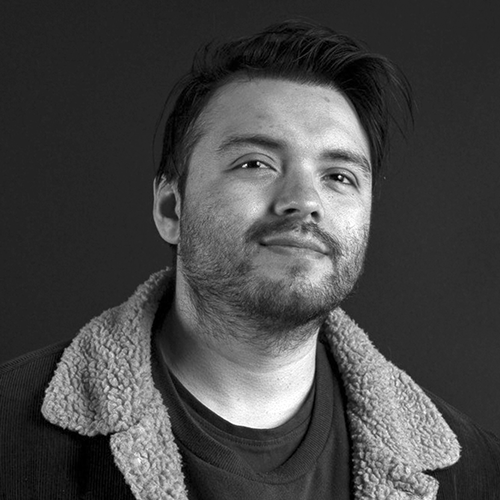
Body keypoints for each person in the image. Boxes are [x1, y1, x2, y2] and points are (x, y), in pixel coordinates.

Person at [1, 20, 499, 500]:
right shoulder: (11, 438)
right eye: (256, 163)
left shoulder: (476, 474)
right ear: (171, 208)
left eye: (339, 176)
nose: (304, 201)